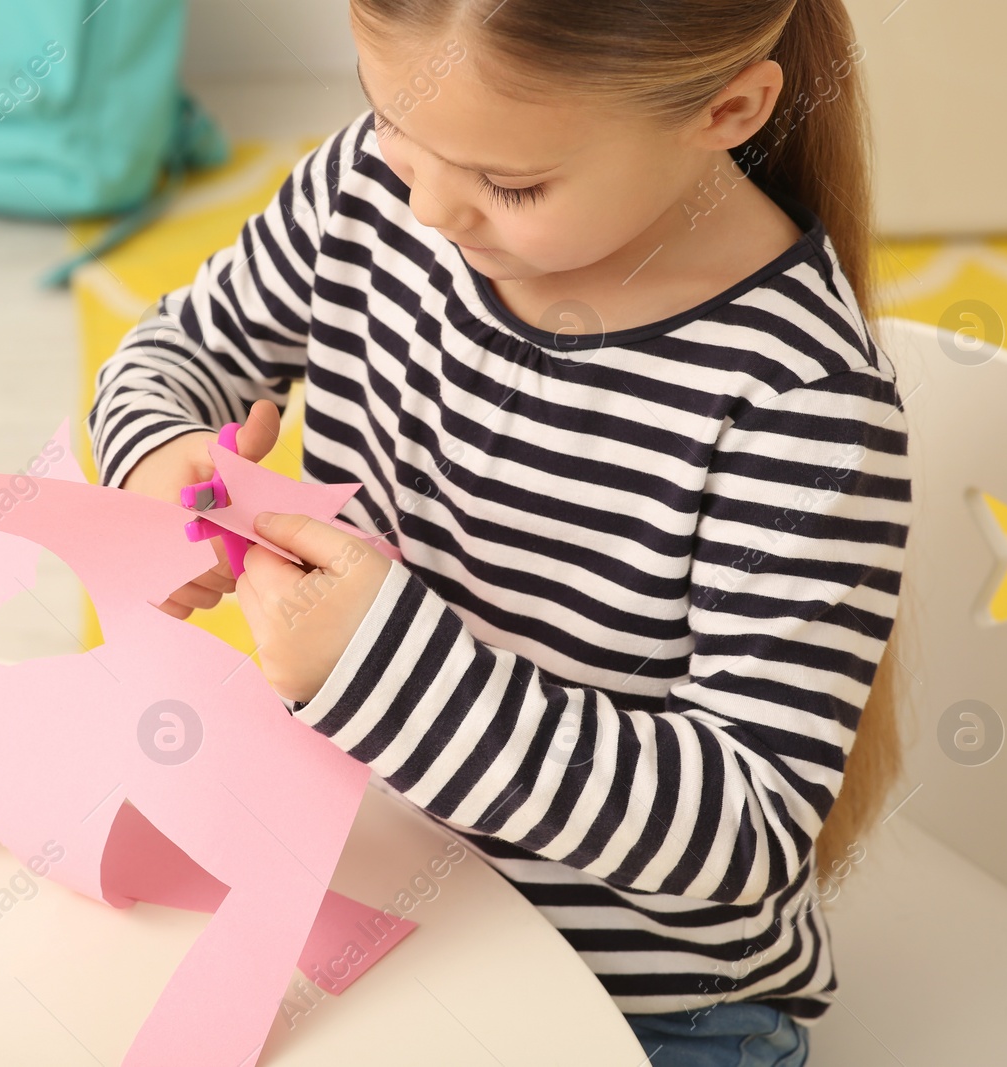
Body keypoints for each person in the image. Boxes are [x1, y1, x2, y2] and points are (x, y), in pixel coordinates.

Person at [87, 0, 915, 1062]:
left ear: (727, 110)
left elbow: (741, 832)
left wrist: (380, 667)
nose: (427, 208)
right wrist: (160, 455)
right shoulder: (370, 187)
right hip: (351, 886)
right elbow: (172, 352)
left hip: (641, 1000)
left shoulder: (798, 405)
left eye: (511, 185)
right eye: (388, 116)